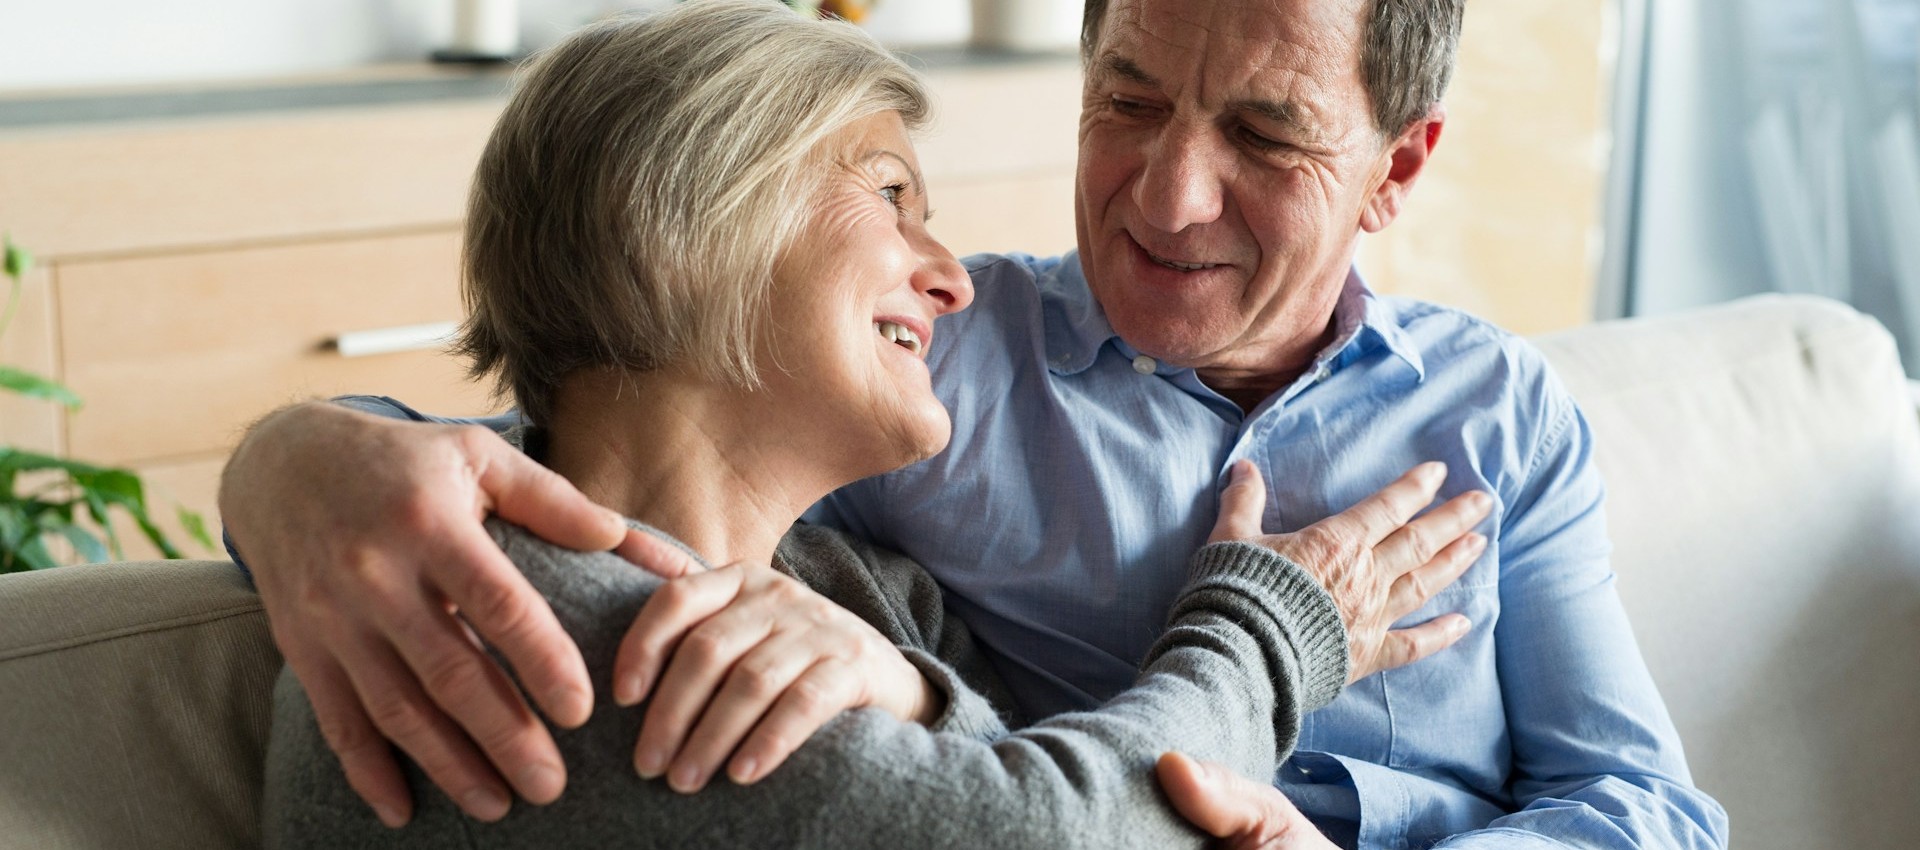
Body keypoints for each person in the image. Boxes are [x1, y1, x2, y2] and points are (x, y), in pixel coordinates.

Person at [224, 0, 1732, 846]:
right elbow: (583, 402)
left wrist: (914, 684)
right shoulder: (932, 375)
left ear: (1399, 169)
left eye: (1265, 136)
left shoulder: (1500, 411)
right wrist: (292, 458)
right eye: (1127, 101)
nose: (1165, 197)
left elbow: (1649, 808)